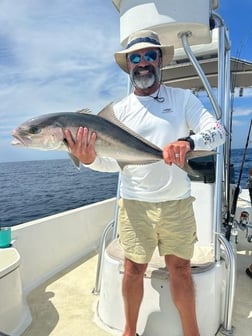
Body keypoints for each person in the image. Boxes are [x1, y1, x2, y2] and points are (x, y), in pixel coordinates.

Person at [64, 30, 226, 336]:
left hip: (176, 204)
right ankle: (129, 330)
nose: (142, 63)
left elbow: (219, 132)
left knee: (180, 270)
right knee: (132, 270)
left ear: (160, 59)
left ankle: (192, 332)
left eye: (149, 56)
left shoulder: (183, 99)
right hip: (135, 205)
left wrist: (189, 143)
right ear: (128, 66)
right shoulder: (116, 113)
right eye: (135, 58)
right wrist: (87, 160)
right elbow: (111, 163)